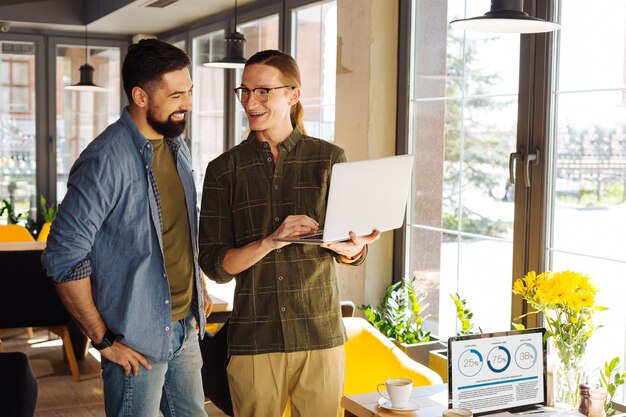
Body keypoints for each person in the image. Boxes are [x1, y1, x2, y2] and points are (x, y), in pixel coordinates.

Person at [198, 49, 381, 417]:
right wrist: (271, 240)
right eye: (245, 91)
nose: (251, 101)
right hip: (254, 339)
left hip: (320, 336)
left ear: (293, 94)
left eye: (263, 91)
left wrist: (353, 248)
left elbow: (345, 249)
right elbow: (216, 265)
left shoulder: (328, 159)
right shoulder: (224, 170)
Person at [42, 38, 211, 417]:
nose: (187, 104)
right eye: (176, 95)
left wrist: (196, 283)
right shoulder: (105, 160)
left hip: (185, 327)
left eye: (189, 92)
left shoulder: (175, 145)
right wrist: (102, 340)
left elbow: (179, 228)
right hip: (135, 342)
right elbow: (63, 257)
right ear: (140, 96)